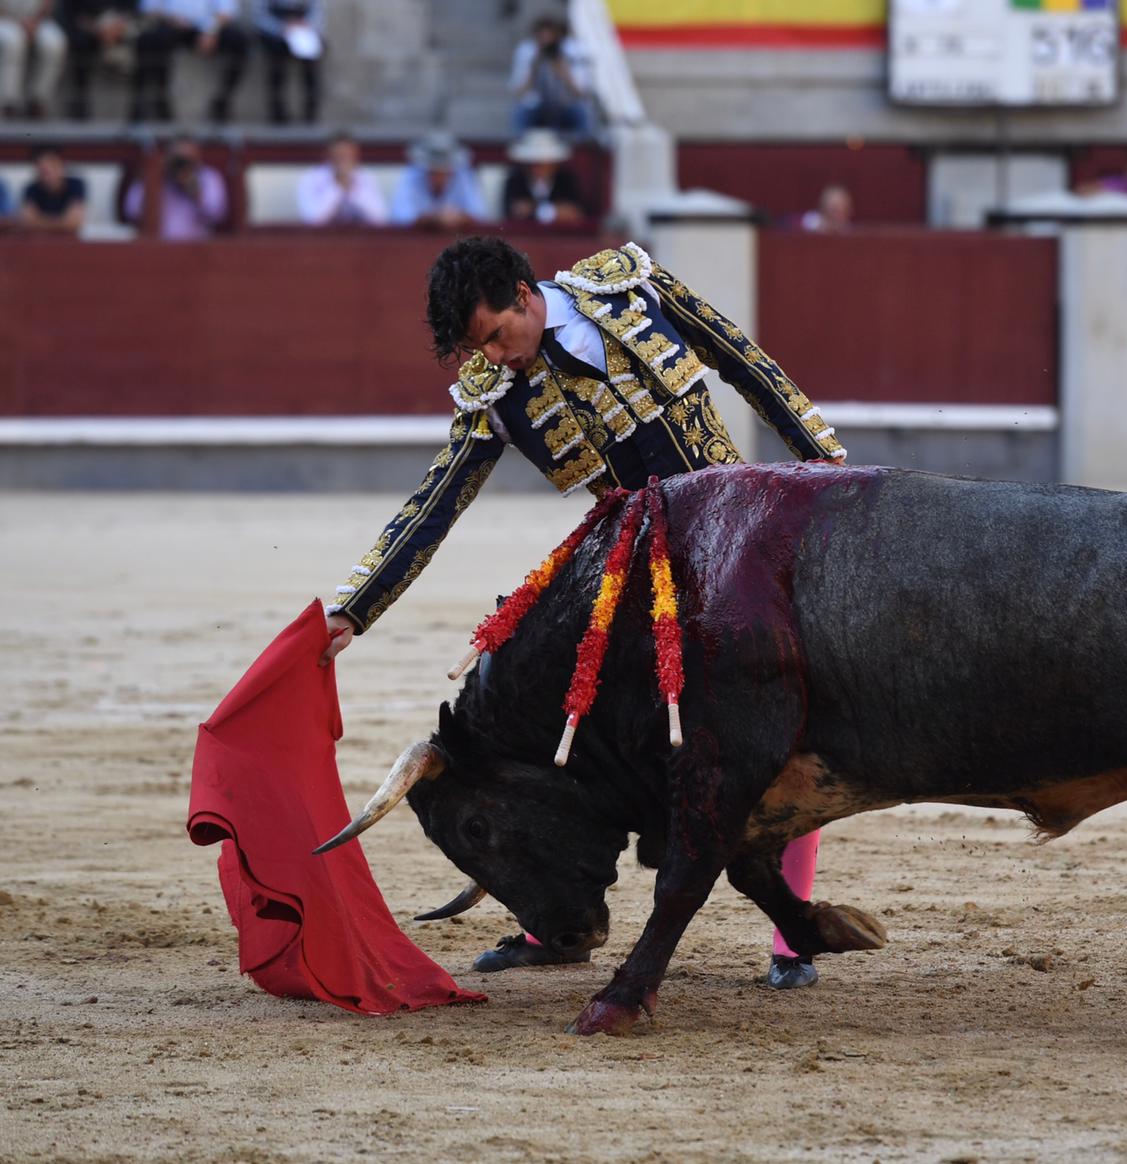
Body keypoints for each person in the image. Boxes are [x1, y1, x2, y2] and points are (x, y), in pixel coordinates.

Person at [320, 236, 848, 989]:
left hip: (741, 546)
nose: (496, 358)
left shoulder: (631, 289)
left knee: (789, 721)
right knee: (557, 721)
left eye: (497, 336)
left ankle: (792, 942)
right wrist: (353, 608)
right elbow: (434, 506)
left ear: (526, 295)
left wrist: (828, 472)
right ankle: (554, 921)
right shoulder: (493, 396)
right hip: (631, 577)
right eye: (479, 348)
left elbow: (748, 364)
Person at [130, 0, 249, 124]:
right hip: (171, 25)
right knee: (148, 41)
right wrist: (171, 19)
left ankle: (221, 102)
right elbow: (148, 8)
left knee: (240, 41)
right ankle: (156, 103)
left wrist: (210, 31)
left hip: (209, 29)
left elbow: (227, 10)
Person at [123, 134, 229, 240]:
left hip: (196, 248)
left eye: (187, 160)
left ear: (197, 157)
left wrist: (194, 190)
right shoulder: (156, 177)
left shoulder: (207, 177)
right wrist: (152, 181)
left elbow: (216, 214)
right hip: (160, 247)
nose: (182, 165)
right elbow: (132, 211)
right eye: (178, 160)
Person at [507, 13, 591, 136]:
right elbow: (518, 93)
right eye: (542, 37)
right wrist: (534, 70)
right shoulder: (527, 52)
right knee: (520, 113)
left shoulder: (572, 51)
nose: (546, 42)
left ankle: (582, 150)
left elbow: (582, 94)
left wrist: (564, 74)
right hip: (537, 107)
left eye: (550, 37)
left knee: (581, 113)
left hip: (566, 106)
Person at [390, 131, 488, 231]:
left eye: (444, 170)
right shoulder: (413, 174)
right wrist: (434, 219)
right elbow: (400, 217)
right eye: (434, 169)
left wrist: (459, 218)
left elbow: (479, 215)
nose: (439, 174)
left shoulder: (462, 174)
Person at [59, 0, 139, 121]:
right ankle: (80, 104)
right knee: (81, 44)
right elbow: (70, 12)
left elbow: (134, 10)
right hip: (86, 28)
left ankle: (137, 109)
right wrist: (96, 28)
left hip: (123, 27)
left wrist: (117, 26)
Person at [252, 0, 322, 125]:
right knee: (277, 63)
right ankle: (278, 111)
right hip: (275, 35)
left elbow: (318, 14)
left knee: (311, 59)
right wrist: (282, 28)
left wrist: (305, 26)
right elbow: (260, 17)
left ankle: (310, 110)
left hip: (304, 34)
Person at [296, 131, 386, 226]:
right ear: (328, 154)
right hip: (321, 238)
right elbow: (313, 220)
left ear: (356, 155)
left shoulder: (365, 176)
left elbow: (380, 218)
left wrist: (353, 191)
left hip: (359, 237)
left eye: (347, 154)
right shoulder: (312, 178)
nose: (343, 159)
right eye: (338, 155)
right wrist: (337, 187)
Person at [501, 128, 585, 224]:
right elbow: (513, 212)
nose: (538, 166)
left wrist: (536, 210)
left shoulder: (566, 180)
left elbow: (575, 213)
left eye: (543, 162)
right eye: (534, 161)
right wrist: (556, 210)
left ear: (553, 163)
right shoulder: (515, 180)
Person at [0, 1, 67, 119]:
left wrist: (35, 21)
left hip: (37, 19)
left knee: (54, 44)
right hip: (5, 18)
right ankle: (8, 103)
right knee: (13, 43)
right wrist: (19, 22)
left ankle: (38, 100)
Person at [17, 143, 87, 233]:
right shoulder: (31, 189)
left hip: (70, 242)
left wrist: (39, 221)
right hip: (40, 242)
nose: (47, 169)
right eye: (42, 168)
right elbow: (27, 222)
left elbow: (74, 223)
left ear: (61, 164)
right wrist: (62, 222)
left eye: (52, 164)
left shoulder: (76, 185)